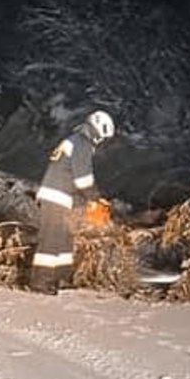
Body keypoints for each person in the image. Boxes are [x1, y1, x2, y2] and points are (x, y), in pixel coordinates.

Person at [27, 110, 115, 295]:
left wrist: (85, 202)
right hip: (55, 196)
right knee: (51, 239)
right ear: (97, 130)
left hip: (63, 198)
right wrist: (95, 198)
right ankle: (40, 282)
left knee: (65, 238)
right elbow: (82, 178)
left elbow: (70, 176)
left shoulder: (76, 140)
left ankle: (61, 278)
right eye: (101, 137)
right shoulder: (81, 143)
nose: (100, 142)